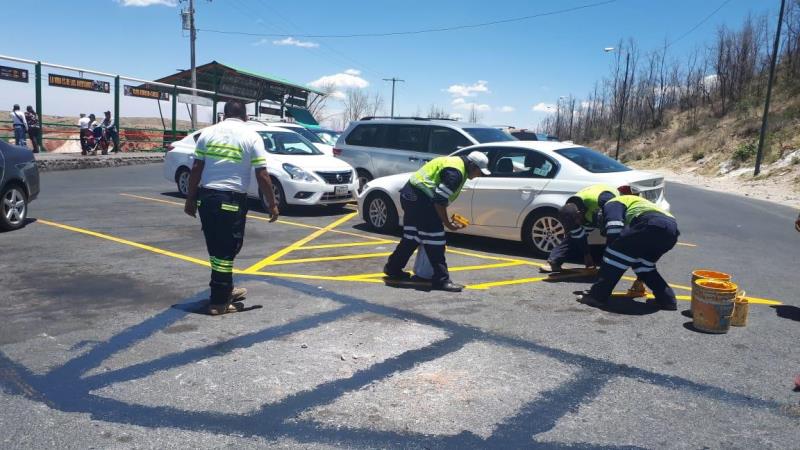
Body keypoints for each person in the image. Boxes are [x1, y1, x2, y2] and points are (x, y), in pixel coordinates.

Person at [183, 100, 280, 315]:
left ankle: (224, 288)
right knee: (227, 250)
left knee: (216, 247)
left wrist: (190, 200)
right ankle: (219, 302)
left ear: (223, 115)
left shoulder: (207, 134)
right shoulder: (251, 136)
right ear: (245, 116)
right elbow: (262, 175)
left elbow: (196, 168)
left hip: (207, 199)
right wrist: (272, 204)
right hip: (231, 200)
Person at [384, 151, 491, 292]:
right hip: (422, 200)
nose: (479, 175)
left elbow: (439, 197)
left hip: (410, 195)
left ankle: (393, 268)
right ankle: (441, 280)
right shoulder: (456, 173)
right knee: (436, 240)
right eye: (479, 171)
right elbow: (439, 201)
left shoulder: (454, 163)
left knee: (412, 235)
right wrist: (448, 224)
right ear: (472, 165)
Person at [577, 195, 680, 311]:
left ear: (601, 215)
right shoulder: (634, 202)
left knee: (613, 257)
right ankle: (667, 300)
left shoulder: (612, 204)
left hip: (651, 223)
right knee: (644, 266)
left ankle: (596, 296)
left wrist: (610, 252)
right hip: (671, 231)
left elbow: (614, 227)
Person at [544, 184, 646, 296]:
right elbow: (579, 235)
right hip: (592, 216)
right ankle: (554, 261)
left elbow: (615, 223)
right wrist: (587, 255)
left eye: (576, 222)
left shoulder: (603, 199)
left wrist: (609, 257)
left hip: (611, 218)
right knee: (574, 235)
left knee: (627, 247)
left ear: (579, 214)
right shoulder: (571, 208)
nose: (577, 224)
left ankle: (638, 280)